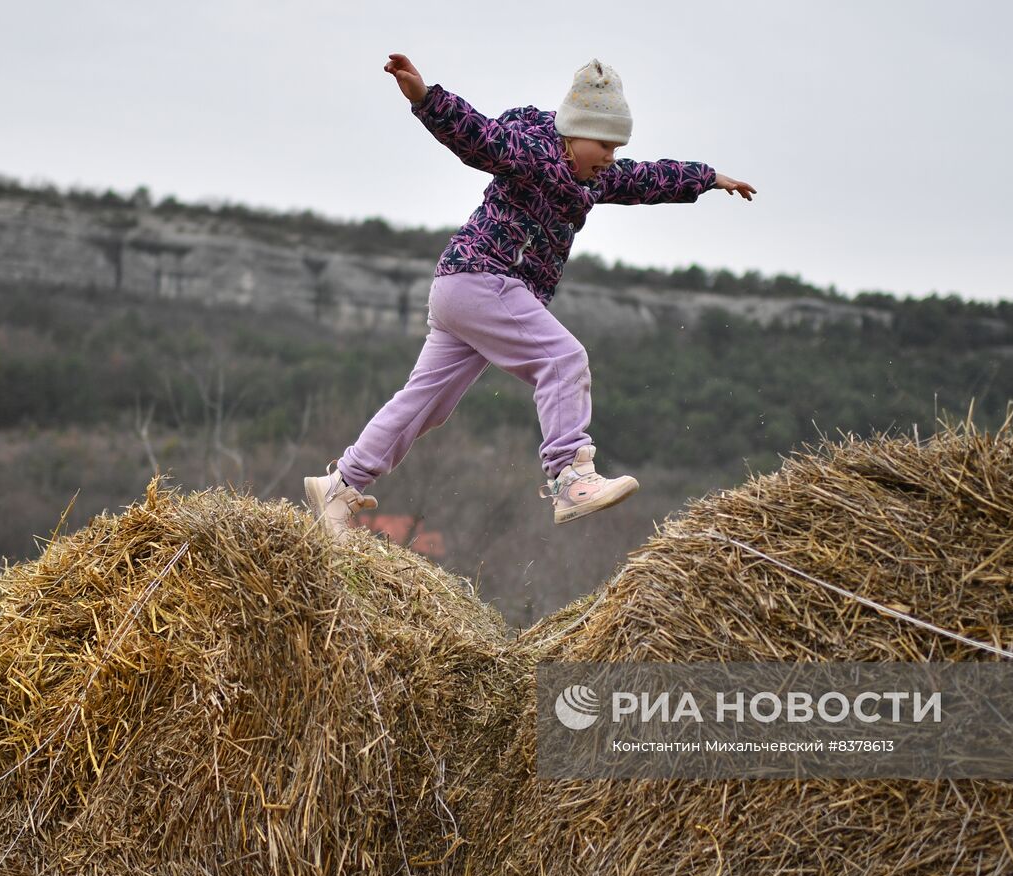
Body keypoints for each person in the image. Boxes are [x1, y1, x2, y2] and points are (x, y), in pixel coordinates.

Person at [305, 53, 756, 538]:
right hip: (485, 278)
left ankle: (342, 486)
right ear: (571, 133)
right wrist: (426, 98)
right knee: (563, 360)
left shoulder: (594, 176)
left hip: (460, 287)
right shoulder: (531, 150)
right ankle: (570, 476)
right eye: (603, 143)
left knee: (425, 404)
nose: (610, 155)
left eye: (617, 145)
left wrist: (708, 178)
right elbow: (478, 136)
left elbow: (645, 178)